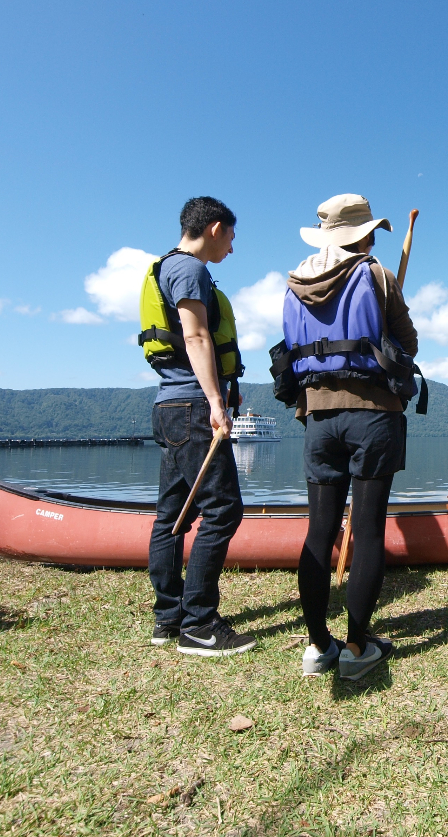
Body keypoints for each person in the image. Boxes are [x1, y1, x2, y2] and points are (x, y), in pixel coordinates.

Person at [275, 194, 420, 681]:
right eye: (371, 234)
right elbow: (409, 343)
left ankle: (318, 646)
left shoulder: (295, 284)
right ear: (363, 236)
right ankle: (357, 647)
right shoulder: (377, 274)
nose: (374, 241)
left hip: (318, 418)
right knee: (369, 531)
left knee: (320, 531)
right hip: (373, 417)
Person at [140, 196, 253, 657]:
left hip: (170, 407)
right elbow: (196, 335)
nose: (231, 248)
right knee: (223, 510)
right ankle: (200, 625)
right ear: (215, 228)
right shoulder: (189, 270)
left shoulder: (166, 267)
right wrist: (215, 402)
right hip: (192, 407)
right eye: (231, 238)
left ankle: (168, 617)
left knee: (171, 515)